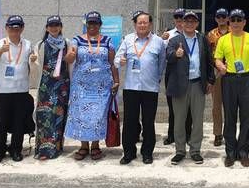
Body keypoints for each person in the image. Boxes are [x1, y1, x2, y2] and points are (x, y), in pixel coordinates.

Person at [64, 11, 120, 161]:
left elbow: (113, 63)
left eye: (95, 23)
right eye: (90, 23)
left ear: (100, 25)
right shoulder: (76, 40)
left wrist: (116, 81)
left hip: (101, 87)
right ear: (86, 24)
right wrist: (70, 55)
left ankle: (95, 146)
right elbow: (69, 58)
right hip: (81, 86)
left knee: (98, 116)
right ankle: (83, 146)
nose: (92, 26)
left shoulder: (108, 41)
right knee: (81, 116)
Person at [115, 11, 166, 164]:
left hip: (150, 88)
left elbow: (162, 62)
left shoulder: (158, 42)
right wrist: (121, 61)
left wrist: (157, 79)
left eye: (145, 22)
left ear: (150, 24)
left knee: (148, 122)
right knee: (130, 121)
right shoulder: (127, 40)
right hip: (131, 87)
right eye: (139, 22)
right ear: (135, 24)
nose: (142, 25)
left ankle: (147, 152)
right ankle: (129, 153)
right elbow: (117, 58)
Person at [214, 8, 249, 168]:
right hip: (229, 80)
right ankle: (230, 152)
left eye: (239, 20)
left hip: (247, 80)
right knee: (229, 117)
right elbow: (218, 59)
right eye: (233, 20)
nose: (235, 23)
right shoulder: (223, 40)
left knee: (246, 117)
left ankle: (243, 152)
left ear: (244, 22)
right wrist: (220, 66)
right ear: (229, 22)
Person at [166, 11, 215, 165]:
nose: (189, 24)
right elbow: (168, 56)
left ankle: (195, 150)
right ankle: (180, 150)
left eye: (192, 21)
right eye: (186, 21)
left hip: (197, 84)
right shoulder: (175, 40)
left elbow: (209, 61)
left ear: (197, 24)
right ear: (181, 23)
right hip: (180, 85)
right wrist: (176, 54)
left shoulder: (202, 39)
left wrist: (210, 80)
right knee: (179, 120)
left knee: (198, 119)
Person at [0, 15, 38, 165]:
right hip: (3, 90)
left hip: (21, 89)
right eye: (11, 28)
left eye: (17, 28)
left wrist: (34, 59)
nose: (14, 31)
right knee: (0, 122)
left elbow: (32, 60)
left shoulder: (28, 44)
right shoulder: (0, 43)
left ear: (22, 28)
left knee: (18, 122)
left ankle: (16, 149)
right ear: (6, 29)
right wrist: (1, 51)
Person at [34, 15, 71, 160]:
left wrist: (71, 57)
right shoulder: (40, 45)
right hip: (45, 86)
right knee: (44, 117)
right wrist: (33, 60)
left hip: (62, 86)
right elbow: (35, 65)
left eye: (57, 25)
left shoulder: (67, 43)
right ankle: (43, 150)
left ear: (61, 27)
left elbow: (71, 63)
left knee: (59, 117)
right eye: (51, 25)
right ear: (46, 28)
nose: (54, 28)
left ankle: (56, 149)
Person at [161, 8, 192, 145]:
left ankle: (188, 134)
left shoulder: (194, 34)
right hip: (172, 73)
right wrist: (163, 40)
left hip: (188, 74)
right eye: (177, 19)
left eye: (182, 19)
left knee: (188, 107)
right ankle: (171, 134)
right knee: (172, 105)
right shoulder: (168, 35)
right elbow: (162, 53)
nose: (179, 22)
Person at [205, 7, 230, 146]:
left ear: (227, 18)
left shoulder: (234, 32)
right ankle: (218, 134)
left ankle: (229, 132)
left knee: (230, 105)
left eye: (223, 16)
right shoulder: (211, 34)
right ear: (216, 19)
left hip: (232, 72)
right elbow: (208, 56)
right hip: (216, 71)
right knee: (216, 105)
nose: (221, 19)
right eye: (218, 17)